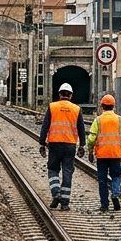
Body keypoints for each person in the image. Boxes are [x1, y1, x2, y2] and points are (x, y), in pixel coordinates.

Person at [39, 82, 85, 210]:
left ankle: (56, 193)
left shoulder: (52, 107)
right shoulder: (76, 109)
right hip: (70, 145)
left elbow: (45, 126)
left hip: (54, 144)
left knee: (53, 170)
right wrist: (82, 145)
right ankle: (64, 203)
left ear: (59, 94)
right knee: (67, 172)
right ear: (70, 95)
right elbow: (81, 129)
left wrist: (42, 143)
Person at [87, 94, 121, 212]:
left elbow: (91, 138)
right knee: (116, 176)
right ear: (113, 106)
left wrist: (90, 151)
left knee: (102, 180)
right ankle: (115, 194)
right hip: (116, 154)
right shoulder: (120, 120)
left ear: (102, 106)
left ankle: (104, 205)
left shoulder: (98, 120)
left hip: (101, 155)